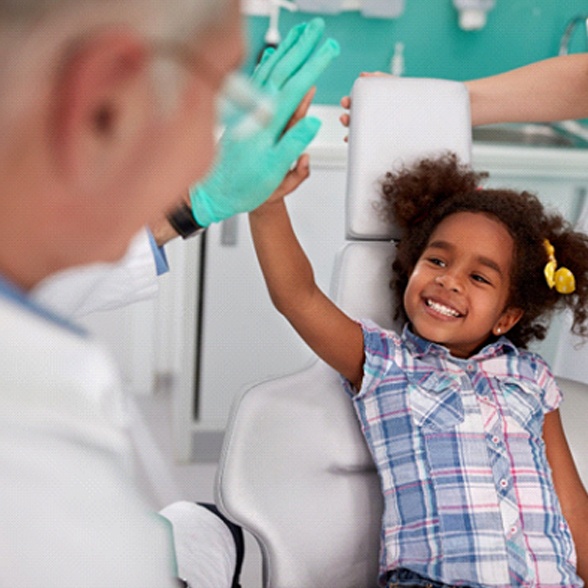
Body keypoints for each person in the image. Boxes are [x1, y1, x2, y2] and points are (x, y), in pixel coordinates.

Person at [0, 0, 339, 586]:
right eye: (217, 98)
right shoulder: (36, 487)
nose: (213, 148)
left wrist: (193, 206)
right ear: (104, 106)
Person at [249, 151, 588, 587]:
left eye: (480, 278)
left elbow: (573, 508)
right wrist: (266, 203)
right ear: (411, 266)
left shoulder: (531, 378)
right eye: (438, 261)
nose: (450, 280)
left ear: (507, 318)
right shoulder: (383, 361)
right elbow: (297, 296)